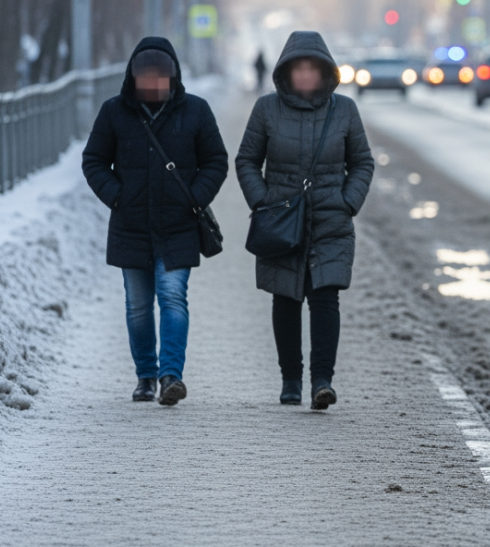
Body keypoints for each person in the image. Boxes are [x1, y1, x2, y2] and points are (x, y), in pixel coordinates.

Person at [82, 37, 229, 406]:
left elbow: (216, 160)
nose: (152, 83)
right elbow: (94, 161)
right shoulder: (114, 112)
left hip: (178, 223)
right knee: (137, 305)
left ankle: (170, 376)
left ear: (173, 77)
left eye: (160, 76)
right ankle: (145, 376)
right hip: (130, 223)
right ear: (133, 77)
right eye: (145, 76)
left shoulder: (195, 111)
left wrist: (194, 197)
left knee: (173, 297)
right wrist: (116, 195)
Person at [236, 31, 374, 410]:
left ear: (325, 72)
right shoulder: (267, 109)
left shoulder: (343, 110)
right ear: (286, 72)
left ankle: (322, 381)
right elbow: (247, 159)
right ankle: (291, 380)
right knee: (286, 298)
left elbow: (362, 162)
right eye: (299, 68)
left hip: (331, 220)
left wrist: (348, 201)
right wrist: (262, 200)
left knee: (326, 297)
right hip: (281, 221)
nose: (306, 75)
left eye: (313, 69)